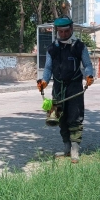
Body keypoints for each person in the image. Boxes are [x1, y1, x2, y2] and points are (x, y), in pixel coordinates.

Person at [37, 16, 94, 163]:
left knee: (75, 118)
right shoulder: (52, 49)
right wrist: (44, 81)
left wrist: (89, 76)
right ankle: (66, 148)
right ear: (56, 31)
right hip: (58, 88)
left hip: (74, 88)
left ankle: (75, 149)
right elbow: (48, 68)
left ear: (71, 30)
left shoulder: (79, 47)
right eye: (60, 32)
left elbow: (87, 65)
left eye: (66, 31)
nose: (63, 34)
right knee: (59, 118)